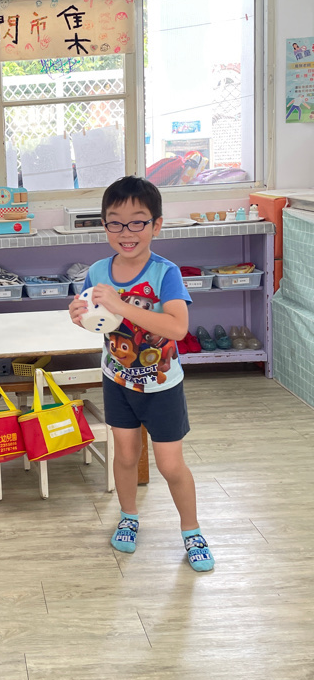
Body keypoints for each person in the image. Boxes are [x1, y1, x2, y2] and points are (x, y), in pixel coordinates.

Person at [68, 175, 214, 572]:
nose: (126, 232)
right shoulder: (98, 271)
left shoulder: (165, 273)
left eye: (137, 222)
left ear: (156, 225)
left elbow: (177, 328)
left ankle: (192, 531)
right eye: (115, 222)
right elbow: (100, 322)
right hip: (118, 380)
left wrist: (122, 304)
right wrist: (79, 315)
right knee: (126, 455)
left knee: (169, 465)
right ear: (104, 225)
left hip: (161, 385)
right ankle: (128, 517)